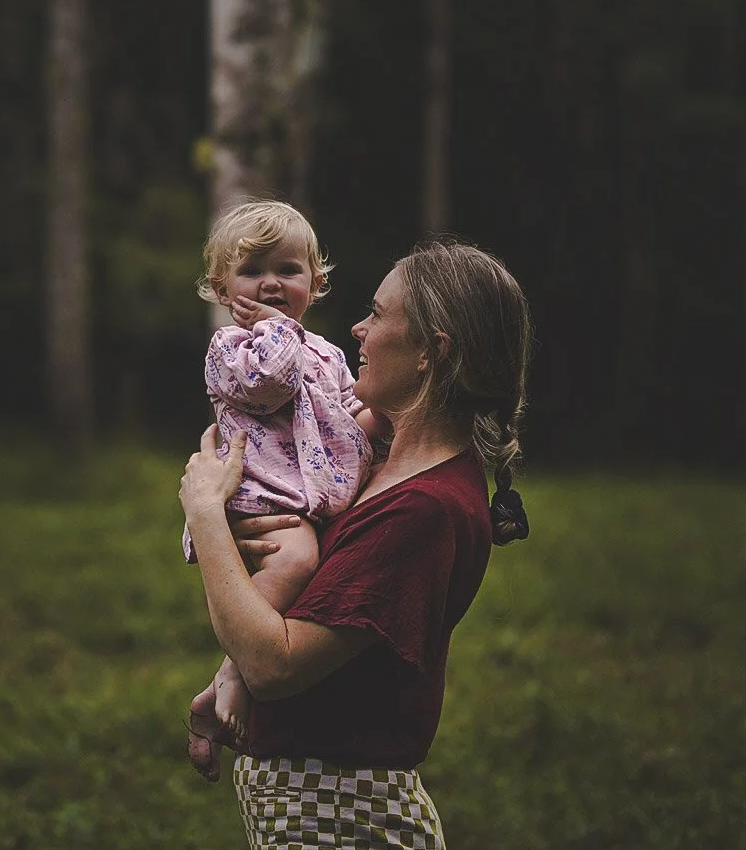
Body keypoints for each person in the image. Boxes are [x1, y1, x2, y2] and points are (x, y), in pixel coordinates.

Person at [180, 237, 532, 848]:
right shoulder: (373, 461)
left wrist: (206, 513)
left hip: (344, 823)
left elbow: (274, 664)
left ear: (430, 352)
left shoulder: (425, 508)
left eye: (377, 314)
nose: (357, 329)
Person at [184, 200, 386, 741]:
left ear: (314, 283)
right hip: (263, 489)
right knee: (298, 560)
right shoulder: (231, 347)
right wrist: (278, 330)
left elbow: (348, 411)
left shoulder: (325, 352)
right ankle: (242, 665)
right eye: (252, 271)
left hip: (314, 490)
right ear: (223, 290)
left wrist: (387, 414)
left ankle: (226, 682)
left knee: (325, 571)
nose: (270, 284)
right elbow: (268, 382)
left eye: (287, 270)